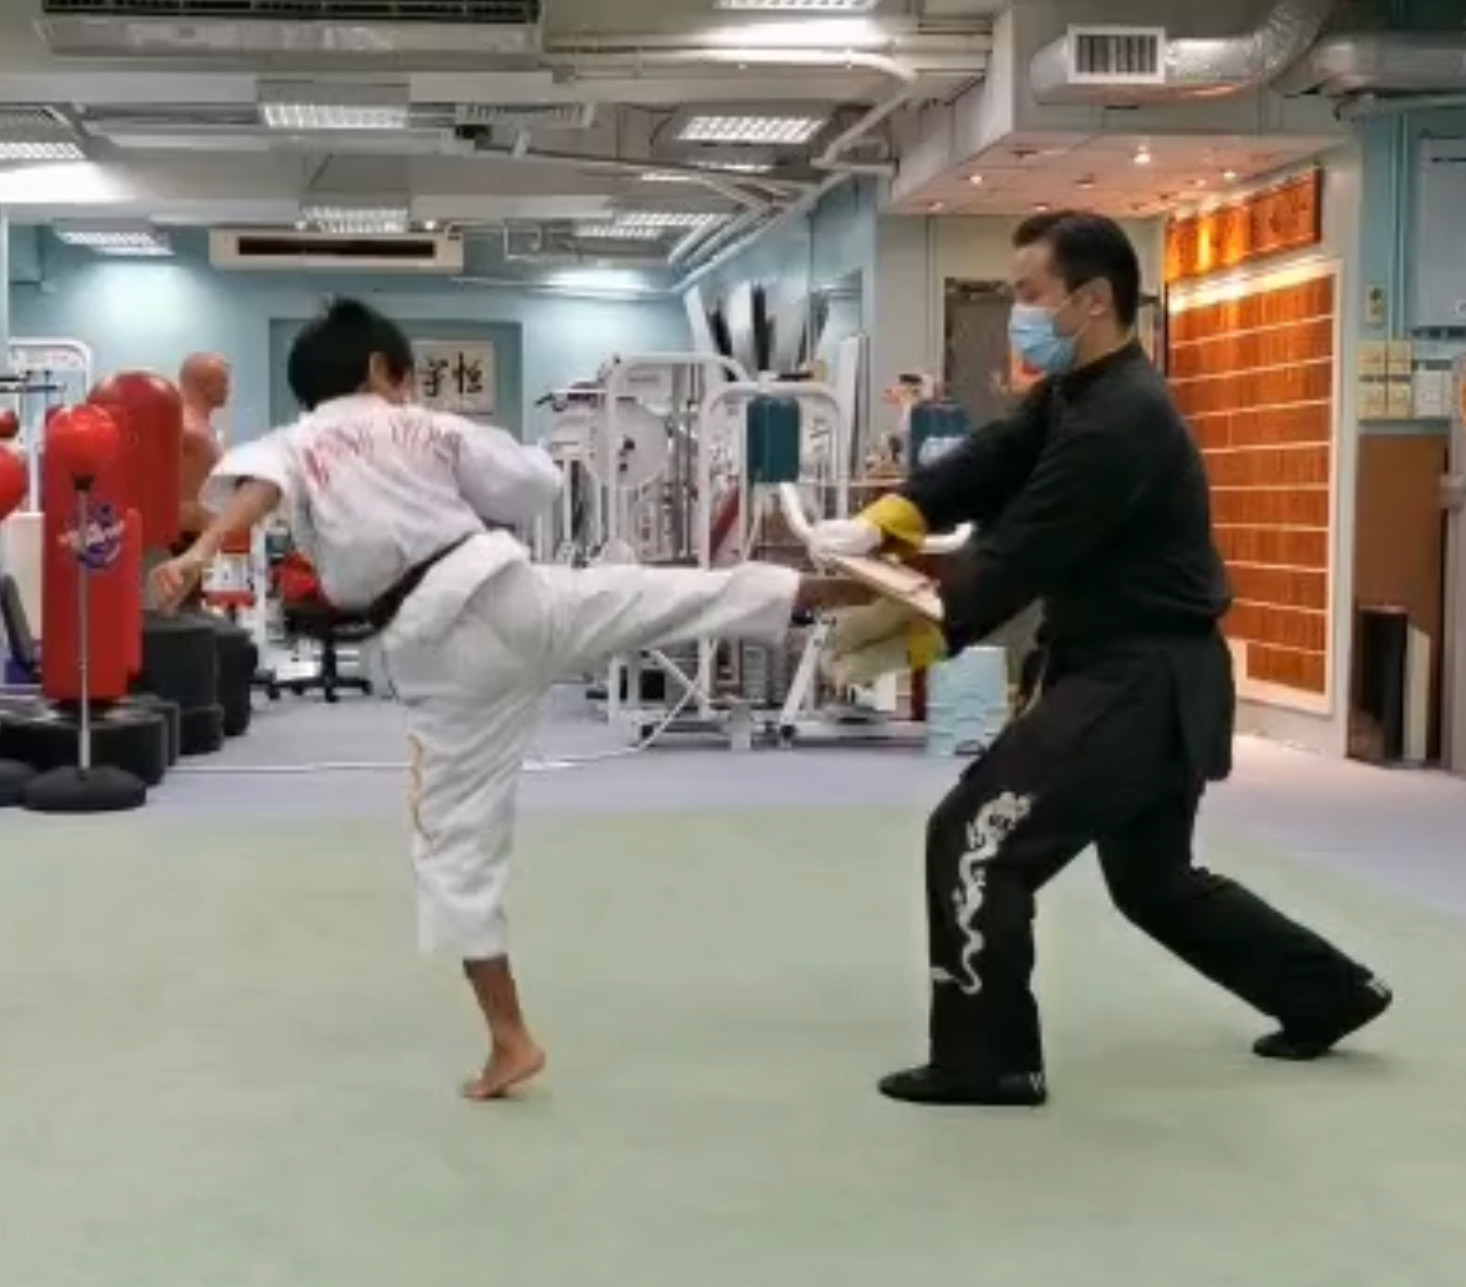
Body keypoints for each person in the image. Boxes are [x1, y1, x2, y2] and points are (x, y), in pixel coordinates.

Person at [149, 298, 865, 1102]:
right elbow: (536, 486)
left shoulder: (297, 440)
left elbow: (258, 493)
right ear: (382, 370)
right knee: (668, 594)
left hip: (443, 649)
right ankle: (839, 589)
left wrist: (200, 553)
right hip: (511, 591)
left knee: (455, 844)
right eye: (405, 377)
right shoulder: (429, 426)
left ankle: (510, 1038)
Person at [811, 211, 1391, 1109]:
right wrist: (888, 518)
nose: (1019, 311)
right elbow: (993, 458)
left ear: (1091, 300)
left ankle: (988, 1060)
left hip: (1137, 681)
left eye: (1029, 293)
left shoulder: (1123, 418)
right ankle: (1327, 992)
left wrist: (917, 628)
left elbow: (1028, 545)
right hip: (1143, 678)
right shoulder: (1076, 393)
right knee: (1154, 884)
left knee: (974, 839)